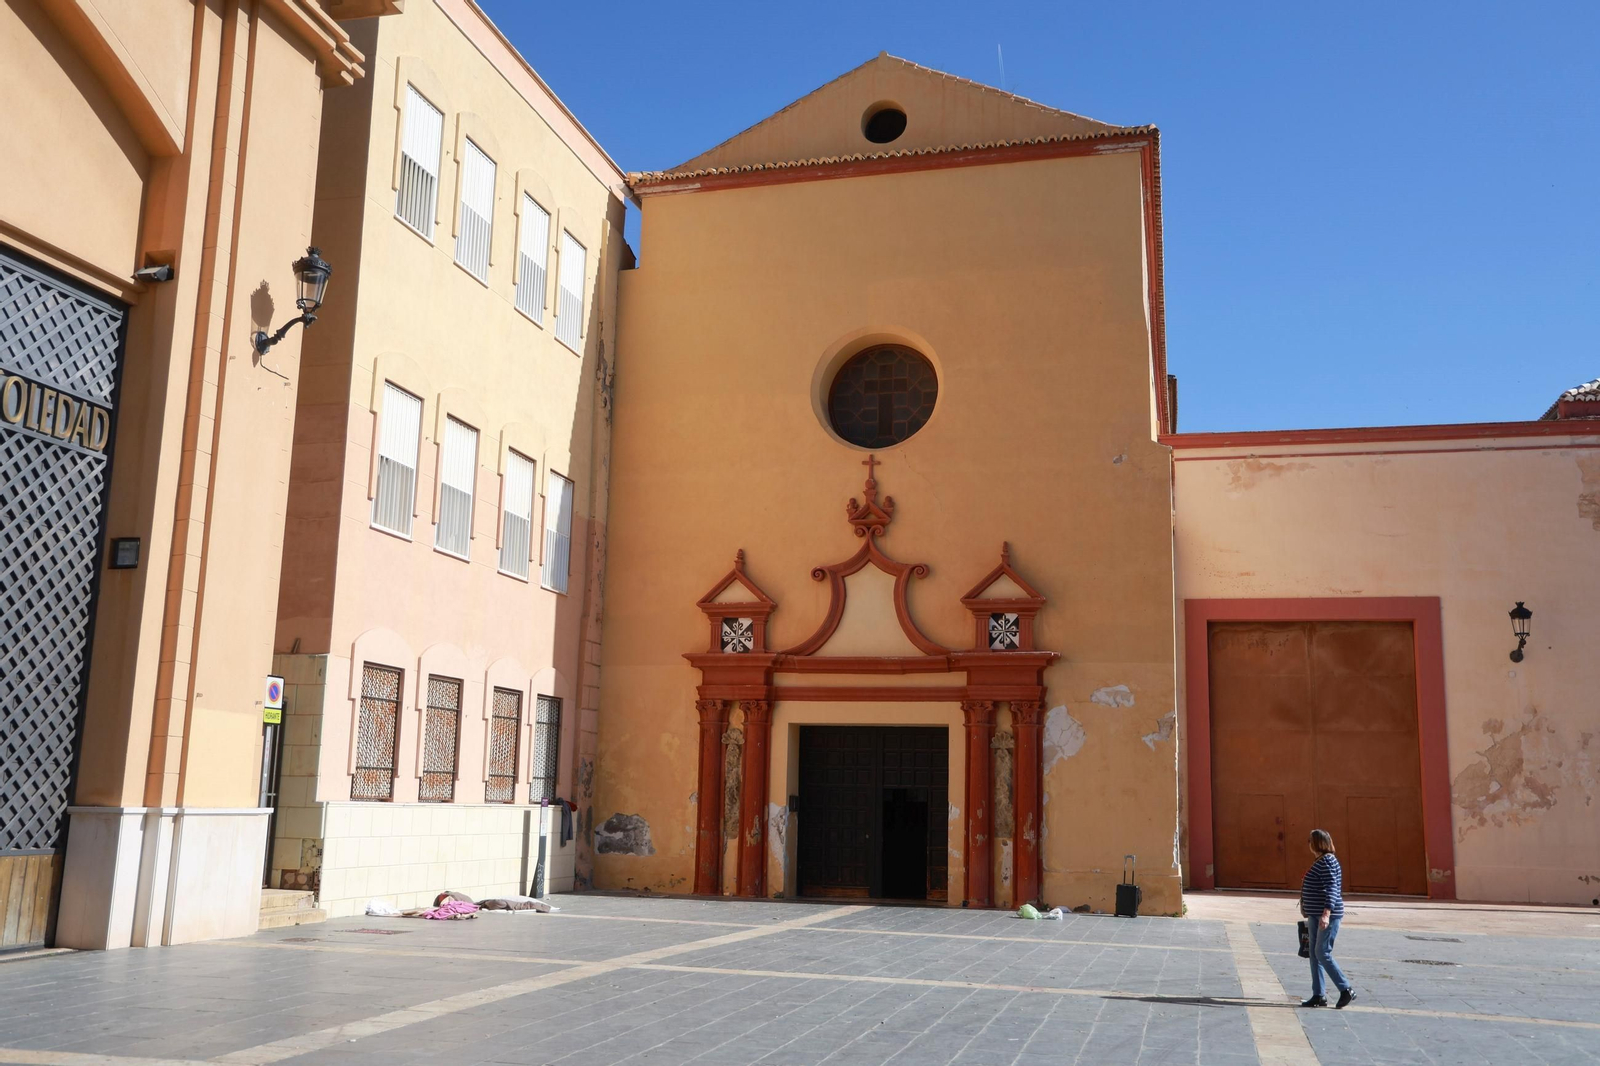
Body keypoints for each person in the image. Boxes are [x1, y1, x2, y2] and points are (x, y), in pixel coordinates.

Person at [1299, 828, 1356, 1009]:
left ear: (1317, 843)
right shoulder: (1321, 860)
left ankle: (1346, 989)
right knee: (1314, 955)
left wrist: (1326, 913)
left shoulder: (1328, 861)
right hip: (1315, 914)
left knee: (1322, 952)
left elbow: (1332, 888)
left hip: (1326, 916)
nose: (1308, 844)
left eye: (1310, 841)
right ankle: (1319, 995)